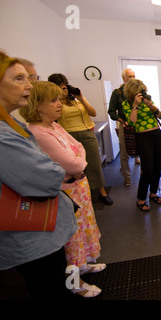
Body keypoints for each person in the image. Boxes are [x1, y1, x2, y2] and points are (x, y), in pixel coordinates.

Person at [0, 51, 77, 299]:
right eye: (20, 79)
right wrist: (57, 168)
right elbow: (48, 177)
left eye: (30, 78)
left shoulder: (13, 124)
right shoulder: (3, 135)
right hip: (29, 241)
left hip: (38, 234)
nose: (29, 85)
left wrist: (55, 166)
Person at [20, 81, 105, 298]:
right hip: (67, 191)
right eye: (53, 100)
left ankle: (83, 264)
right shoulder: (40, 132)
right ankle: (75, 283)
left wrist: (77, 161)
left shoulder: (54, 126)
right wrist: (77, 162)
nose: (60, 104)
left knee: (83, 228)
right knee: (71, 240)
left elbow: (80, 148)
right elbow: (75, 163)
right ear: (38, 105)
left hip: (78, 186)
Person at [48, 73, 113, 206]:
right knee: (75, 167)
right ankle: (84, 193)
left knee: (94, 163)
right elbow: (54, 117)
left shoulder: (76, 100)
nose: (64, 90)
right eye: (60, 88)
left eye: (64, 87)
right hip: (68, 135)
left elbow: (93, 113)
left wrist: (81, 97)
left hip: (87, 133)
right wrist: (58, 98)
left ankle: (102, 192)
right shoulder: (54, 102)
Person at [123, 79, 161, 212]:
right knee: (147, 169)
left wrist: (151, 106)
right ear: (132, 93)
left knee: (158, 167)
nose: (142, 94)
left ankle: (153, 193)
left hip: (157, 135)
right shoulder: (126, 104)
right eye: (139, 92)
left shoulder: (148, 101)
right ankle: (141, 198)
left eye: (143, 91)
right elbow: (132, 123)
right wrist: (135, 105)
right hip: (143, 138)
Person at [108, 68, 140, 187]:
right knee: (124, 152)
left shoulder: (138, 91)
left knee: (140, 146)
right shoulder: (117, 93)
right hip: (124, 124)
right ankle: (127, 177)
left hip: (138, 124)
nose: (132, 79)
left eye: (133, 76)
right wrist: (121, 121)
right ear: (124, 78)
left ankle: (139, 163)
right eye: (129, 77)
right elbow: (111, 111)